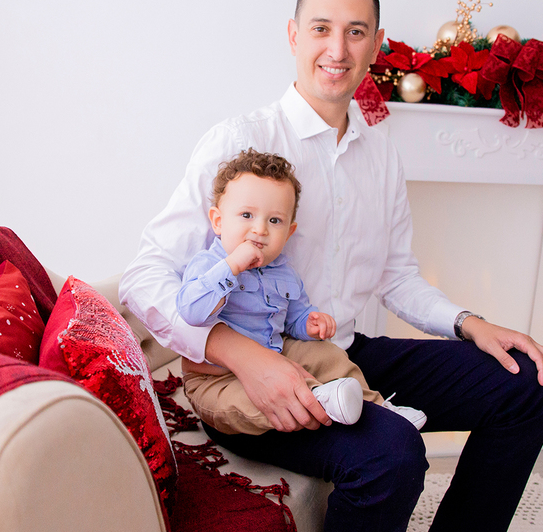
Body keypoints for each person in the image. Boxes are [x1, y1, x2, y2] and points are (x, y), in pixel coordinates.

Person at [120, 0, 543, 532]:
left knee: (528, 380)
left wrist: (472, 323)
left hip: (344, 353)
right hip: (250, 376)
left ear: (376, 44)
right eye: (322, 28)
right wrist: (245, 356)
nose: (338, 49)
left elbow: (397, 277)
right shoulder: (242, 139)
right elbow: (143, 278)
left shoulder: (379, 145)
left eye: (356, 32)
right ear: (293, 36)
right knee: (392, 454)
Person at [176, 147, 427, 433]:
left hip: (277, 355)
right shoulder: (210, 265)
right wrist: (232, 266)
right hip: (216, 380)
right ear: (218, 221)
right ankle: (320, 399)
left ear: (289, 232)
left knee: (325, 353)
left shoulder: (283, 271)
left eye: (274, 221)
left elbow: (293, 317)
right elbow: (191, 312)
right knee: (250, 403)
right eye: (246, 215)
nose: (260, 230)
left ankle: (378, 408)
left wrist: (309, 323)